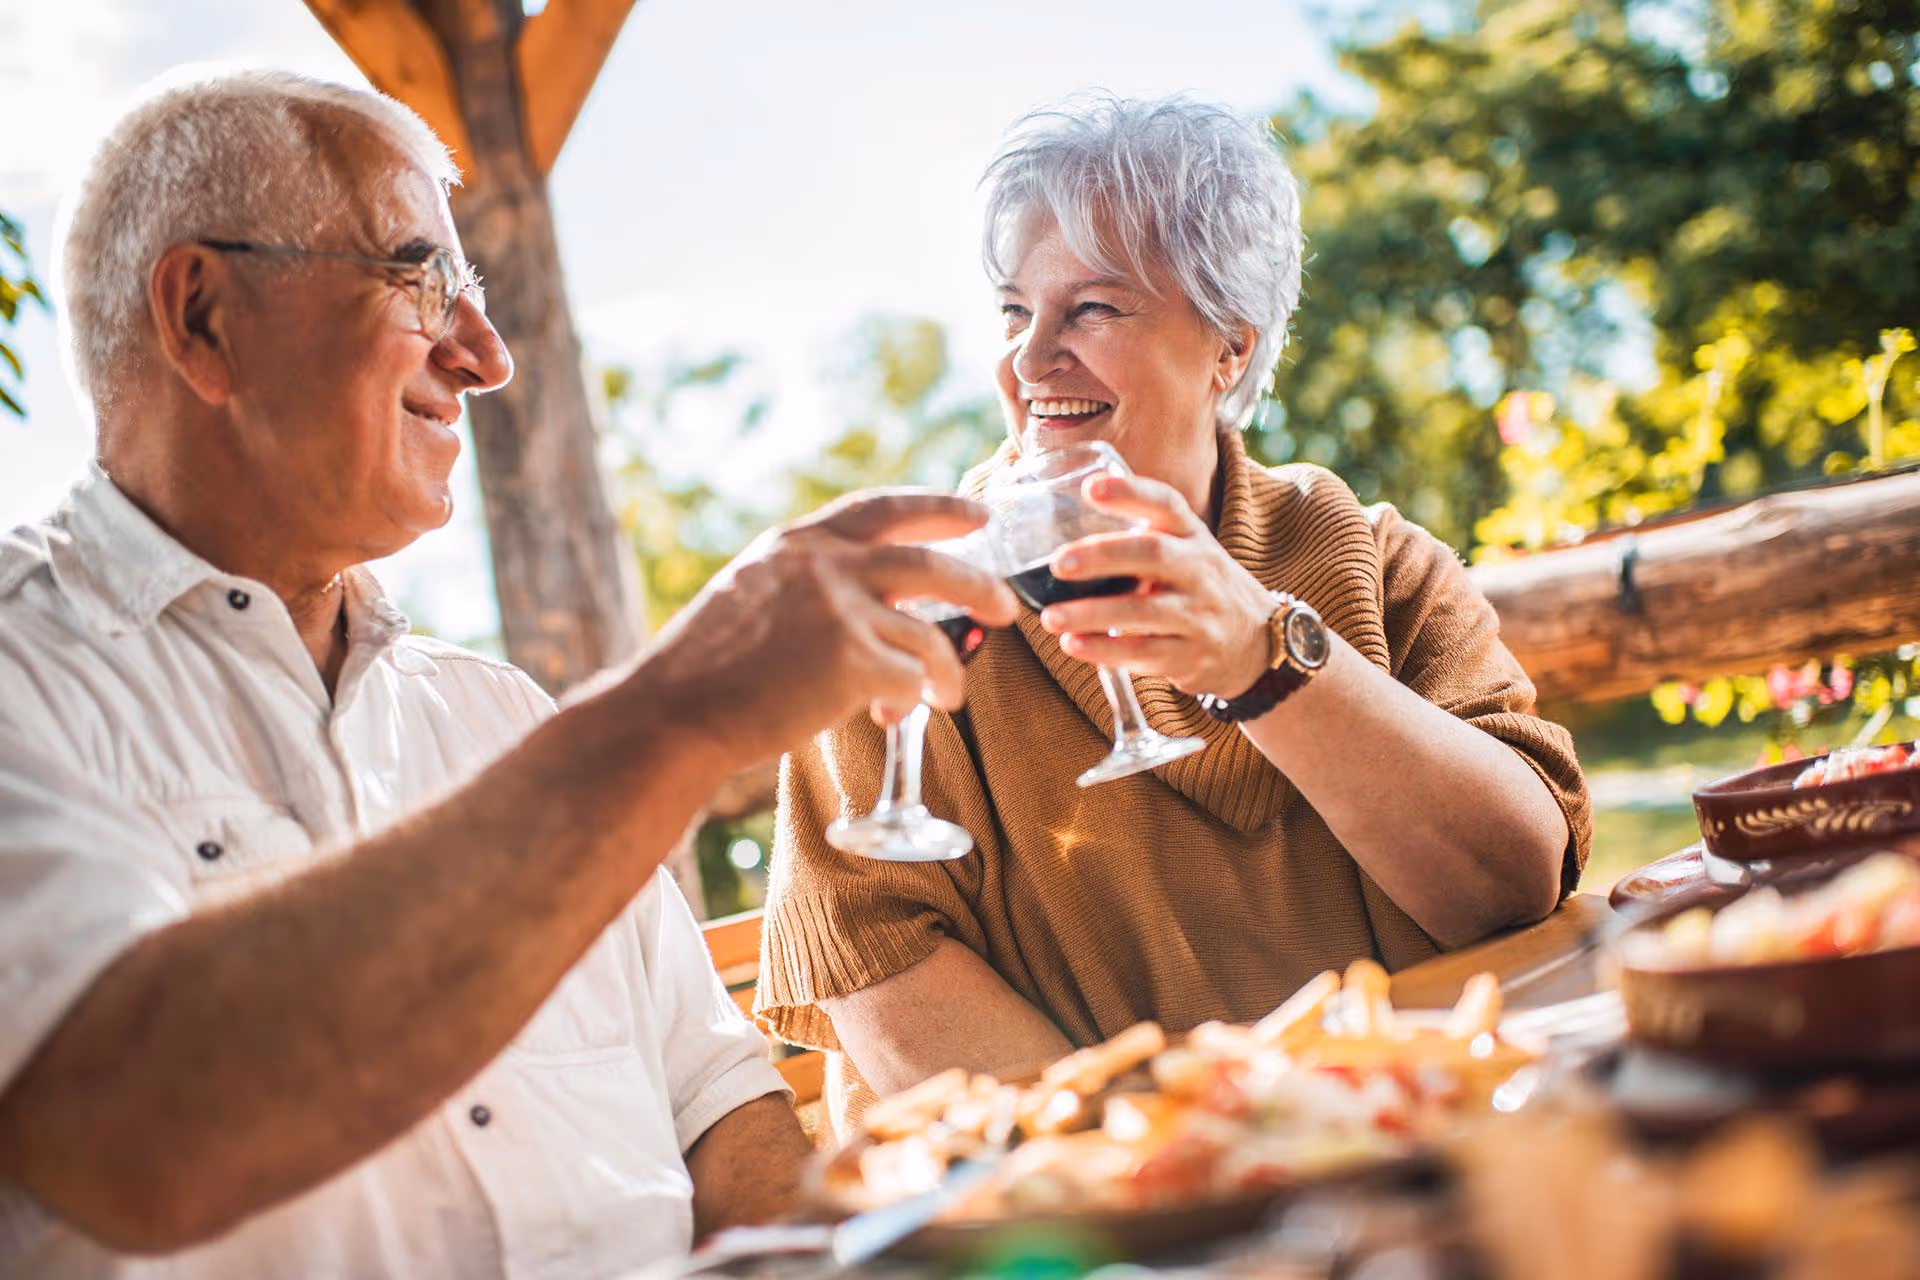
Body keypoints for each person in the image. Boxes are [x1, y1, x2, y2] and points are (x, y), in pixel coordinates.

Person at [0, 70, 1016, 1277]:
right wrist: (673, 709)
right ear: (204, 315)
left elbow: (715, 1104)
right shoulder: (27, 679)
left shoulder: (496, 717)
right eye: (423, 277)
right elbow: (126, 1136)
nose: (486, 358)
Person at [757, 93, 1593, 1131]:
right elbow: (882, 983)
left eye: (1093, 309)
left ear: (1229, 348)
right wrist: (1208, 1162)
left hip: (1436, 1137)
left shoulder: (1376, 562)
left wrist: (1264, 657)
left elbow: (1516, 876)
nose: (1029, 358)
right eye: (1016, 310)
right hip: (1112, 1216)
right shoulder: (913, 611)